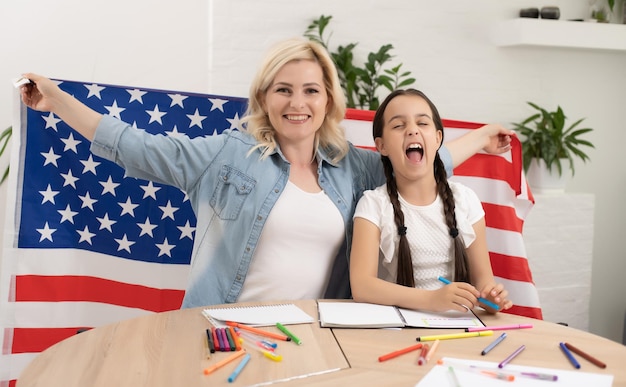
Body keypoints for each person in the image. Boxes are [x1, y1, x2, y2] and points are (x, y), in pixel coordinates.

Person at [19, 37, 513, 309]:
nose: (297, 103)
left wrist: (480, 139)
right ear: (263, 98)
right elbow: (138, 148)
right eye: (283, 90)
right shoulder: (227, 156)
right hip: (225, 331)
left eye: (311, 91)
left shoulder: (352, 168)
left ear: (328, 101)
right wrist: (57, 101)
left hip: (317, 335)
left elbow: (418, 161)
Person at [349, 89, 513, 313]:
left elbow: (484, 282)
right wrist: (431, 299)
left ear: (437, 139)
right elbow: (362, 286)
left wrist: (492, 298)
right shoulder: (373, 204)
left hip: (460, 329)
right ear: (381, 146)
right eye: (398, 126)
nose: (412, 130)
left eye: (422, 123)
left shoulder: (465, 200)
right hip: (399, 330)